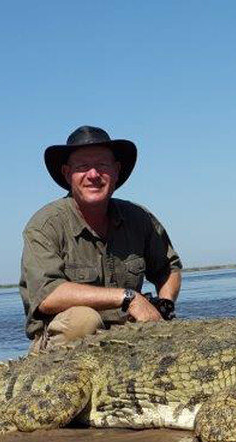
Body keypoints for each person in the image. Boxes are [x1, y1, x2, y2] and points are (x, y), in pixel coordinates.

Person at [20, 125, 182, 353]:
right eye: (83, 167)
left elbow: (169, 267)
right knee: (83, 320)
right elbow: (47, 294)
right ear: (68, 174)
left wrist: (164, 305)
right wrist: (129, 298)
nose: (93, 175)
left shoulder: (140, 218)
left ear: (116, 171)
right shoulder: (45, 224)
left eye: (102, 166)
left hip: (126, 334)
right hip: (62, 344)